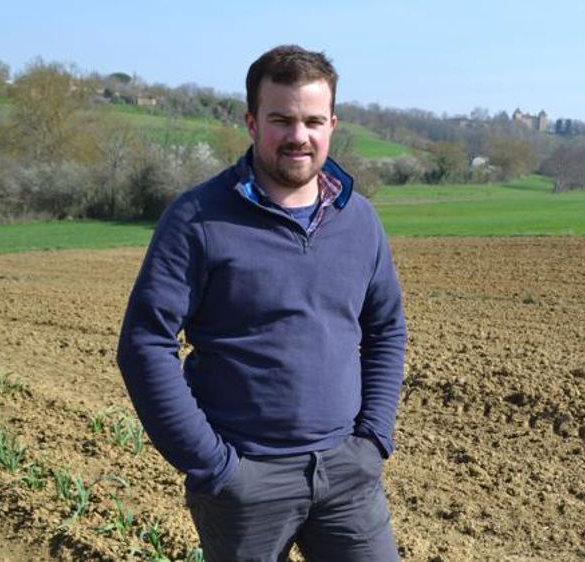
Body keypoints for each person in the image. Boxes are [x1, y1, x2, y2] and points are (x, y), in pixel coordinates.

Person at [116, 45, 406, 561]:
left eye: (314, 120)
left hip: (347, 474)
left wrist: (373, 439)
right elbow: (145, 344)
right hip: (246, 481)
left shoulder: (359, 220)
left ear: (332, 124)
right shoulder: (198, 218)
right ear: (252, 123)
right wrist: (216, 467)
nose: (299, 136)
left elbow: (385, 329)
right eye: (282, 119)